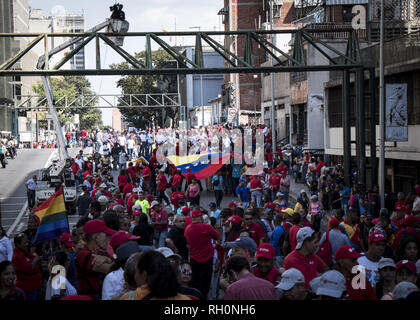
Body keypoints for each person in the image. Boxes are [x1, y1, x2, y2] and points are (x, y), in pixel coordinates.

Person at [120, 250, 190, 300]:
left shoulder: (128, 297)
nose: (135, 275)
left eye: (136, 271)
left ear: (144, 275)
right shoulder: (185, 299)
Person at [75, 219, 116, 299]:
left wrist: (110, 259)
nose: (109, 238)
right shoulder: (83, 254)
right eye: (106, 235)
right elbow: (112, 269)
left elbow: (116, 260)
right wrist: (111, 258)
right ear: (96, 237)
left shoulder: (101, 253)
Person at [184, 209, 219, 299]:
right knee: (205, 283)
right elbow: (216, 236)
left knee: (195, 281)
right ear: (200, 217)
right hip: (206, 259)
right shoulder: (206, 227)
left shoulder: (187, 228)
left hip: (193, 258)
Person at [11, 233, 42, 300]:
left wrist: (35, 261)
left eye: (27, 241)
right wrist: (35, 261)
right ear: (18, 244)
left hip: (34, 287)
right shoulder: (17, 256)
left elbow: (37, 260)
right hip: (27, 289)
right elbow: (29, 268)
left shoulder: (24, 252)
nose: (27, 244)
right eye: (25, 242)